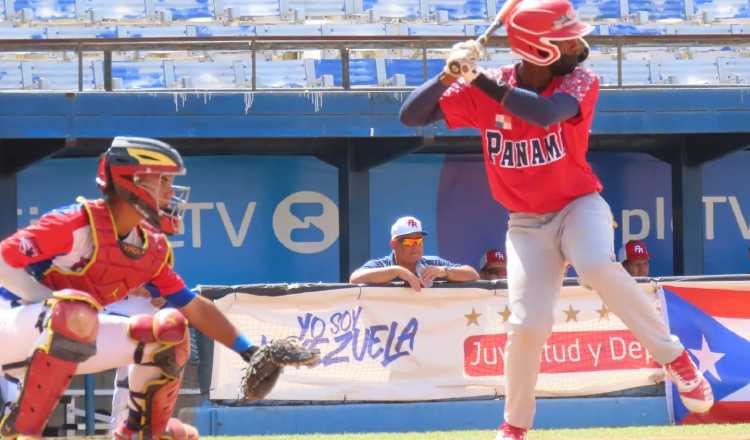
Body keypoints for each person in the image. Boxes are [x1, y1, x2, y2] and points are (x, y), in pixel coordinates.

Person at [398, 0, 713, 438]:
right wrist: (448, 73)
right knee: (527, 325)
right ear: (535, 47)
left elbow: (544, 113)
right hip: (525, 223)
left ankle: (675, 358)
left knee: (596, 264)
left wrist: (476, 78)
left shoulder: (580, 80)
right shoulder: (487, 87)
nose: (576, 43)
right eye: (563, 37)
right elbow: (410, 115)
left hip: (578, 205)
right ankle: (514, 425)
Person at [0, 137, 271, 439]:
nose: (171, 191)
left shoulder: (150, 248)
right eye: (163, 180)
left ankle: (137, 432)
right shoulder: (76, 223)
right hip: (11, 325)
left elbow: (193, 306)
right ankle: (23, 431)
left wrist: (250, 350)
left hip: (63, 334)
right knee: (74, 314)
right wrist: (53, 305)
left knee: (169, 333)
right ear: (133, 180)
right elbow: (3, 260)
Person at [350, 216, 479, 291]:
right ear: (393, 244)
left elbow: (473, 275)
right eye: (409, 241)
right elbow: (355, 279)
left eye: (419, 240)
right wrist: (397, 271)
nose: (416, 246)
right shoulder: (383, 265)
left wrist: (444, 271)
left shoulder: (432, 263)